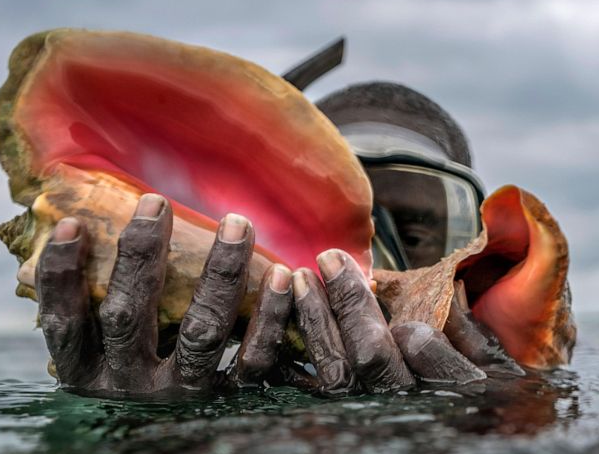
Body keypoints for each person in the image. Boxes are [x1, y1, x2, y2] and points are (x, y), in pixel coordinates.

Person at [34, 42, 516, 397]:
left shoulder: (507, 385)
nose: (363, 265)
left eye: (410, 233)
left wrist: (495, 411)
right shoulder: (212, 385)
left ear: (471, 257)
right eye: (345, 222)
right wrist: (130, 424)